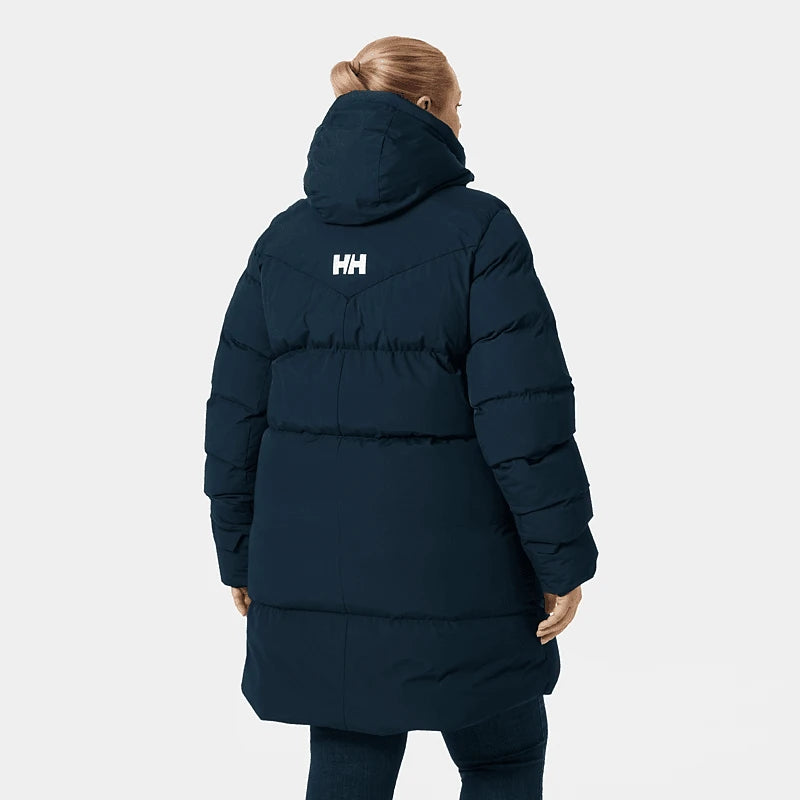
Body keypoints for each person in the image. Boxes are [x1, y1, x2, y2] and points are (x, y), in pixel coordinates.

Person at [203, 35, 598, 800]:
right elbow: (524, 419)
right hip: (465, 581)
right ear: (425, 108)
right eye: (459, 108)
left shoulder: (284, 241)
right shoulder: (480, 230)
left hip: (314, 570)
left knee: (349, 763)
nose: (463, 124)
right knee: (502, 757)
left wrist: (239, 553)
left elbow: (235, 413)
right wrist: (561, 562)